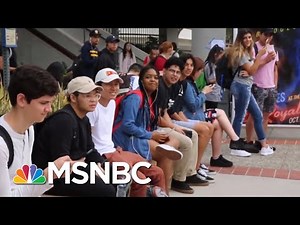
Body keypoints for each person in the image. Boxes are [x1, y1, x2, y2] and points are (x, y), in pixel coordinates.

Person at [87, 68, 167, 197]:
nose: (113, 88)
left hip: (114, 150)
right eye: (108, 84)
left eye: (116, 84)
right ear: (98, 87)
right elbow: (88, 141)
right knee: (139, 180)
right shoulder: (92, 108)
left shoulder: (112, 103)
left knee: (157, 172)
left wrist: (114, 147)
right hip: (103, 155)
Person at [32, 76, 116, 196]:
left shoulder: (84, 119)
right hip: (52, 177)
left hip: (75, 169)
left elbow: (89, 150)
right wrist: (88, 168)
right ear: (73, 97)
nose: (94, 100)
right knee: (105, 191)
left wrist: (101, 164)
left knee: (118, 175)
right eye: (87, 96)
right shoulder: (63, 120)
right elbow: (61, 162)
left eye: (96, 95)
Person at [0, 65, 73, 197]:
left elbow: (24, 179)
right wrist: (46, 175)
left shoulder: (29, 129)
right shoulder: (1, 144)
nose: (49, 109)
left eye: (50, 103)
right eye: (43, 103)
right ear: (21, 100)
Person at [112, 65, 183, 195]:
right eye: (148, 77)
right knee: (165, 155)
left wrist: (156, 135)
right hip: (125, 139)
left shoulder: (149, 98)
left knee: (172, 141)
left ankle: (161, 189)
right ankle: (164, 192)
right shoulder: (135, 97)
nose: (153, 80)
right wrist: (151, 135)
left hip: (139, 135)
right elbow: (127, 125)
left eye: (156, 77)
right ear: (141, 80)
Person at [228, 28, 274, 156]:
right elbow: (253, 70)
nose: (248, 40)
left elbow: (251, 69)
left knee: (258, 115)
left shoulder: (247, 52)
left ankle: (264, 146)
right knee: (239, 116)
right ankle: (235, 146)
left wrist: (250, 69)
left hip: (245, 86)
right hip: (241, 86)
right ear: (240, 40)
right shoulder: (240, 53)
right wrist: (259, 57)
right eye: (245, 38)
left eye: (249, 37)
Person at [245, 28, 278, 152]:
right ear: (260, 35)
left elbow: (275, 69)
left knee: (265, 116)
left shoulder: (273, 48)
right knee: (254, 115)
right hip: (257, 85)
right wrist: (265, 59)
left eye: (270, 35)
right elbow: (252, 68)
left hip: (271, 87)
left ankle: (262, 141)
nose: (268, 37)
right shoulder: (254, 48)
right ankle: (248, 141)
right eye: (266, 34)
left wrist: (275, 85)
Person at [204, 44, 224, 109]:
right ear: (215, 55)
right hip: (211, 95)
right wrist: (219, 77)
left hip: (215, 95)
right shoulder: (209, 66)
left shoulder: (215, 65)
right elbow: (210, 80)